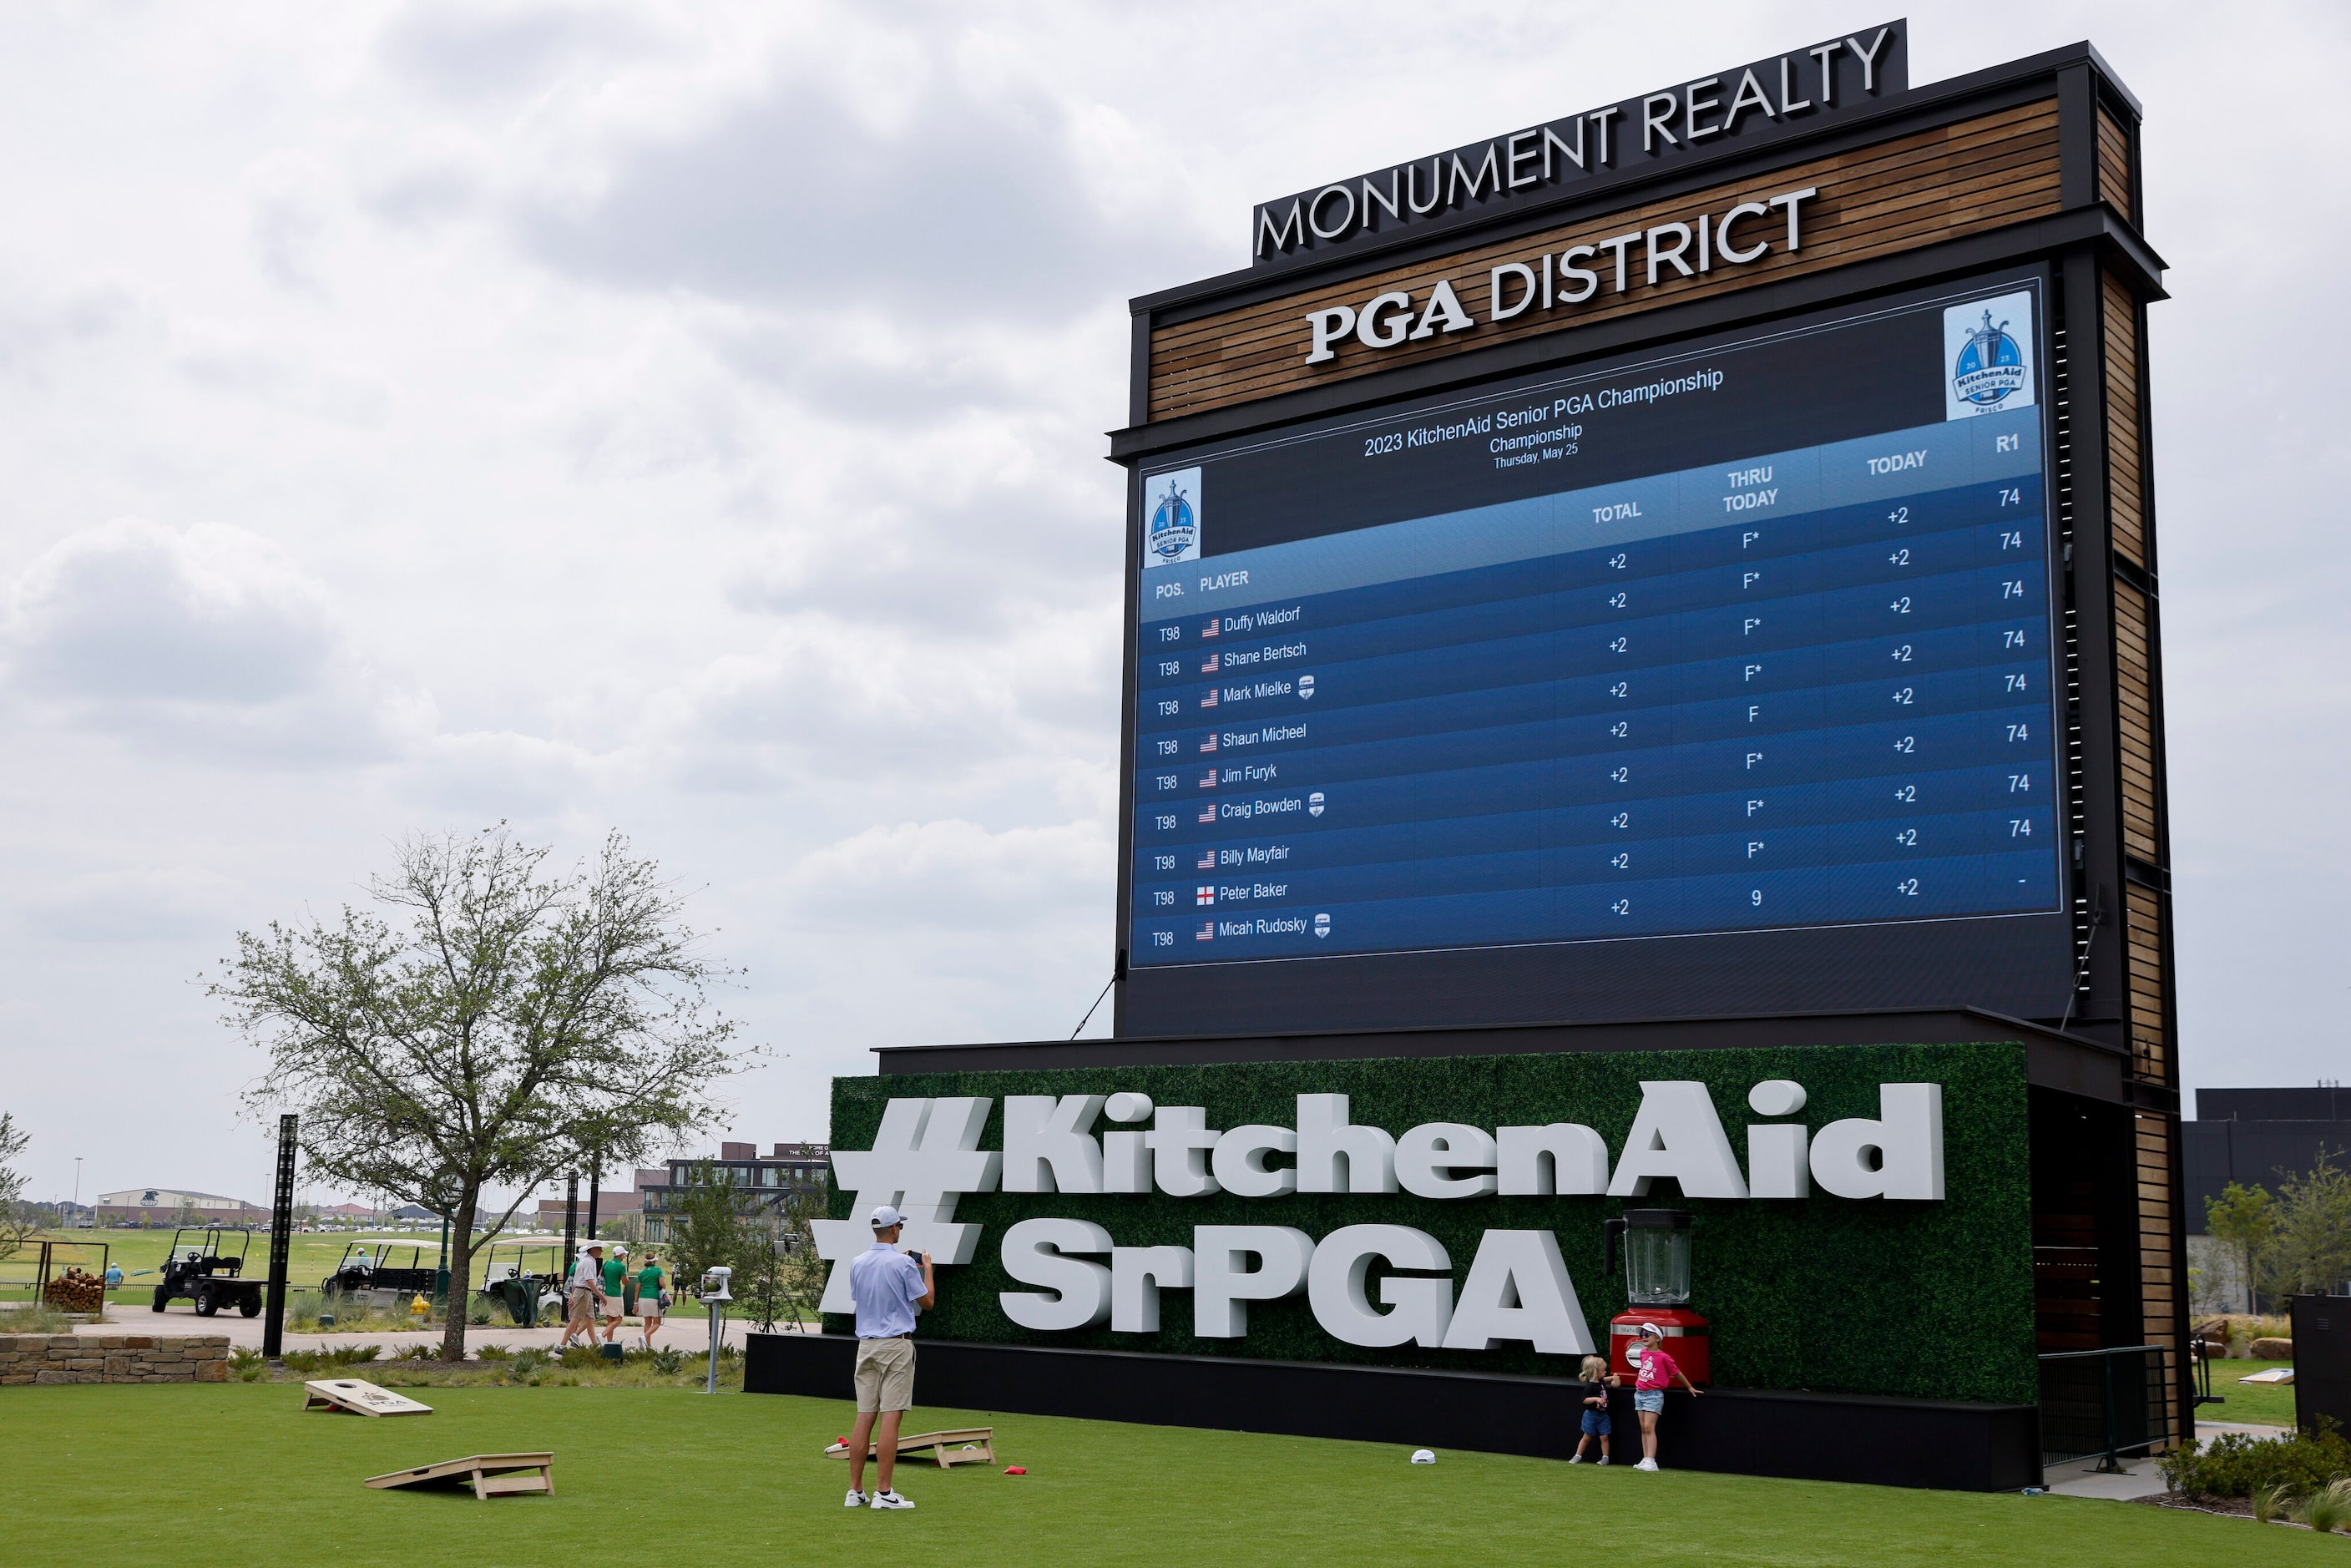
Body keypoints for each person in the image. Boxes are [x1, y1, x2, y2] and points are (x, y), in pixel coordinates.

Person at [843, 1204, 935, 1511]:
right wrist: (927, 1270)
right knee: (891, 1417)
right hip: (895, 1345)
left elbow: (864, 1298)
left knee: (864, 1416)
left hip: (866, 1345)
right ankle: (884, 1492)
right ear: (894, 1229)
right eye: (899, 1226)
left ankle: (855, 1491)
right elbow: (928, 1302)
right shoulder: (903, 1265)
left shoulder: (857, 1262)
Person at [1629, 1322, 1701, 1471]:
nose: (1643, 1337)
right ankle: (1645, 1458)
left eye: (1646, 1334)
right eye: (1641, 1334)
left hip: (1654, 1395)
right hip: (1639, 1393)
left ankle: (1651, 1461)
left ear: (1657, 1338)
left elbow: (1677, 1373)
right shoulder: (1643, 1353)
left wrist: (1689, 1387)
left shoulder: (1664, 1357)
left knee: (1649, 1427)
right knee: (1643, 1428)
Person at [1568, 1353, 1617, 1464]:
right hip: (1591, 1415)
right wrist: (1596, 1399)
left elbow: (1606, 1379)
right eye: (1604, 1370)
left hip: (1603, 1415)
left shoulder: (1601, 1381)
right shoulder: (1590, 1386)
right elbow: (1584, 1400)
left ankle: (1605, 1458)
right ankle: (1577, 1455)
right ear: (1596, 1372)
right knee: (1587, 1437)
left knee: (1604, 1436)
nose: (1606, 1372)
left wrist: (1614, 1378)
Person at [561, 1242, 605, 1349]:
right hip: (584, 1292)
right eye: (599, 1249)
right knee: (576, 1319)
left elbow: (575, 1281)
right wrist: (600, 1295)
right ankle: (562, 1345)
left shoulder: (582, 1261)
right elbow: (589, 1280)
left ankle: (595, 1345)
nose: (601, 1251)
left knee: (591, 1319)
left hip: (583, 1291)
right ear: (593, 1249)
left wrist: (573, 1295)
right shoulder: (590, 1262)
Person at [635, 1252, 666, 1350]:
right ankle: (644, 1337)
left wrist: (635, 1303)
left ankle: (648, 1345)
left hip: (642, 1298)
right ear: (654, 1261)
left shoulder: (641, 1273)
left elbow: (637, 1289)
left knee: (647, 1323)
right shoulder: (658, 1270)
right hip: (653, 1298)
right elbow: (662, 1284)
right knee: (657, 1322)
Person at [599, 1243, 629, 1345]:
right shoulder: (621, 1266)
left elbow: (600, 1275)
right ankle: (602, 1335)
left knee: (610, 1319)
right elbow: (625, 1282)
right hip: (615, 1294)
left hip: (605, 1294)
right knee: (618, 1319)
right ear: (620, 1255)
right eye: (623, 1255)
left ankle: (609, 1342)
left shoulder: (607, 1263)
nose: (624, 1257)